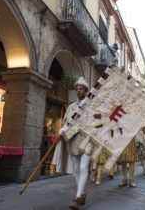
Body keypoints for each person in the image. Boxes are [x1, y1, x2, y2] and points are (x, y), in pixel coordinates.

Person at [59, 77, 93, 210]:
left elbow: (96, 123)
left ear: (86, 90)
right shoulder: (71, 106)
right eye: (77, 89)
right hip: (72, 139)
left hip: (86, 139)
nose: (79, 91)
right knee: (77, 169)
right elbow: (66, 122)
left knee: (84, 168)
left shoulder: (91, 105)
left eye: (81, 89)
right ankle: (82, 193)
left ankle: (77, 198)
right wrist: (63, 129)